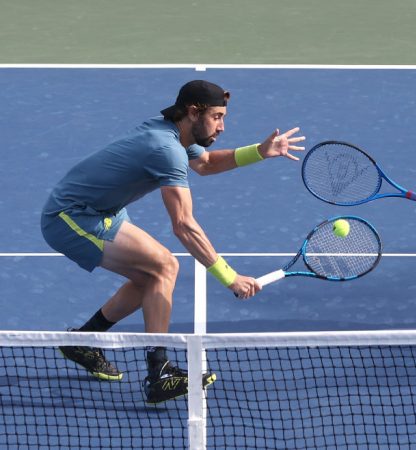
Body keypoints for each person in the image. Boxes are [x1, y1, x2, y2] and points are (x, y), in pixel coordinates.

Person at [41, 80, 305, 403]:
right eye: (217, 117)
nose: (222, 126)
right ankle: (159, 373)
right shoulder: (165, 149)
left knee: (153, 274)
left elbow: (206, 164)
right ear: (194, 112)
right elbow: (183, 225)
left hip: (101, 210)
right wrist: (229, 277)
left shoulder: (174, 134)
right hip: (70, 217)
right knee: (164, 266)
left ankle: (83, 340)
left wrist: (260, 152)